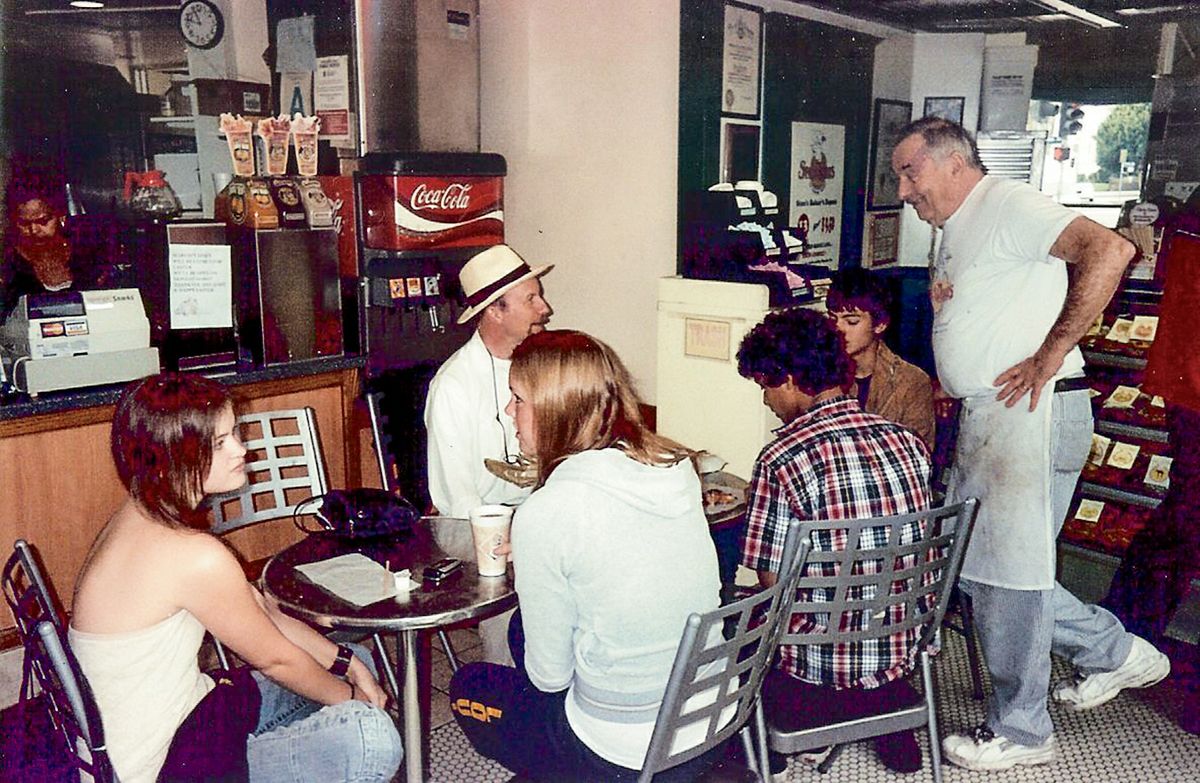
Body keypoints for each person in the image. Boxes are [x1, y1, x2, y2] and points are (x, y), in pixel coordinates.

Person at [891, 116, 1169, 771]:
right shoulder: (957, 227)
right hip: (993, 416)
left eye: (911, 171)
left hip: (1033, 411)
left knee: (1008, 579)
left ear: (954, 163)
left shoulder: (1009, 203)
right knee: (982, 571)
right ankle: (1115, 653)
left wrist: (1048, 354)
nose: (904, 189)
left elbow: (1111, 251)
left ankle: (1023, 728)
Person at [69, 373, 402, 783]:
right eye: (220, 442)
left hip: (190, 718)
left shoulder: (139, 514)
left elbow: (262, 611)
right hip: (161, 769)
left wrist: (349, 665)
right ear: (175, 455)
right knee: (372, 736)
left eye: (235, 434)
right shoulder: (192, 555)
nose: (242, 450)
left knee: (359, 660)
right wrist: (356, 702)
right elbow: (275, 658)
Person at [447, 330, 722, 782]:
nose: (508, 412)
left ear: (557, 410)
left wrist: (540, 549)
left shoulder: (547, 512)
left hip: (621, 750)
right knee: (520, 630)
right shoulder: (674, 467)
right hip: (707, 715)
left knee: (469, 687)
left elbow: (550, 679)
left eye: (518, 400)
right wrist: (545, 556)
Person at [736, 307, 932, 775]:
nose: (766, 401)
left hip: (818, 663)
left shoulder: (781, 458)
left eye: (764, 386)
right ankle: (885, 715)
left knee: (739, 629)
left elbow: (772, 584)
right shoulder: (906, 441)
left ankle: (786, 736)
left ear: (785, 379)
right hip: (899, 644)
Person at [424, 242, 553, 665]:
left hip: (533, 515)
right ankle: (507, 682)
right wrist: (521, 538)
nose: (545, 308)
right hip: (470, 525)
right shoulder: (454, 387)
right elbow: (458, 502)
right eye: (531, 298)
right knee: (525, 577)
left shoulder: (544, 367)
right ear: (495, 310)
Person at [1099, 221, 1200, 735]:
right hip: (1193, 384)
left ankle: (1121, 634)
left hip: (1186, 384)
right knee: (1186, 518)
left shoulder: (1188, 218)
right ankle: (1122, 637)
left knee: (1183, 518)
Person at [826, 268, 935, 449]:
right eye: (832, 318)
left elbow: (917, 455)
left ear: (880, 324)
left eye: (851, 321)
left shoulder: (911, 381)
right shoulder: (824, 371)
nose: (838, 329)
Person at [1, 193, 113, 321]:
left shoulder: (84, 254)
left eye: (43, 221)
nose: (34, 230)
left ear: (61, 217)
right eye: (23, 223)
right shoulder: (9, 261)